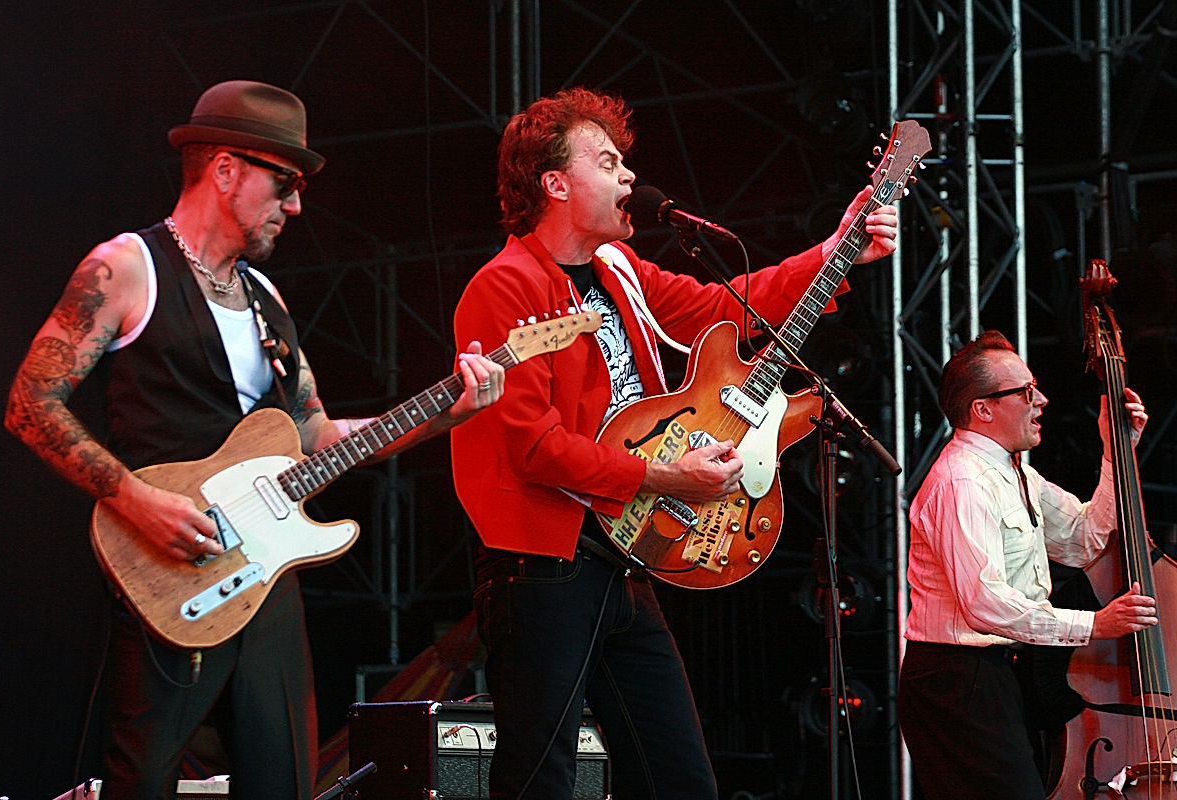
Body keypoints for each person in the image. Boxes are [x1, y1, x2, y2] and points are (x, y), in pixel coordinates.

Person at [3, 80, 505, 800]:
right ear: (227, 170)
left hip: (266, 576)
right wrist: (137, 500)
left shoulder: (268, 302)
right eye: (285, 183)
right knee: (141, 778)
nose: (295, 205)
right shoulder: (126, 269)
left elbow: (318, 436)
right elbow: (30, 403)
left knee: (283, 779)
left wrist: (444, 413)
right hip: (168, 565)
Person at [449, 86, 898, 799]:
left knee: (680, 780)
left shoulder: (620, 271)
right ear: (556, 183)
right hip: (543, 567)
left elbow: (727, 307)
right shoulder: (504, 286)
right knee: (539, 779)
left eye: (626, 162)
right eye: (608, 161)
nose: (629, 176)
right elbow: (535, 447)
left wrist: (838, 249)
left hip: (626, 554)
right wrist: (664, 476)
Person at [898, 329, 1154, 800]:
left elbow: (1083, 539)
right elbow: (984, 604)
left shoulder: (1015, 472)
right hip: (957, 678)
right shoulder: (963, 481)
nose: (1042, 400)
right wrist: (1096, 623)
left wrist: (1118, 449)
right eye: (1026, 391)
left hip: (997, 672)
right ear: (984, 408)